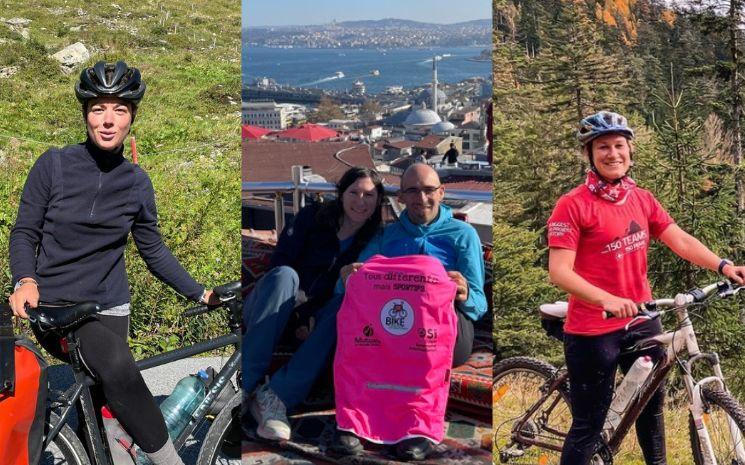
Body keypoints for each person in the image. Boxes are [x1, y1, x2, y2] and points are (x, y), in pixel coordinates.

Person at [8, 61, 220, 465]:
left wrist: (200, 291)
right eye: (98, 109)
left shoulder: (137, 183)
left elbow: (153, 250)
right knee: (117, 363)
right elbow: (24, 233)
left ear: (132, 117)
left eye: (119, 110)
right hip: (57, 307)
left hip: (110, 308)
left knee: (106, 415)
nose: (108, 120)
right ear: (85, 114)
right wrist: (25, 280)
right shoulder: (53, 165)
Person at [546, 110, 745, 465]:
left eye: (619, 145)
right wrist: (606, 299)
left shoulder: (641, 198)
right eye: (602, 146)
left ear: (630, 150)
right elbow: (560, 272)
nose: (613, 153)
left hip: (642, 319)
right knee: (588, 425)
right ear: (589, 155)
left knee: (650, 411)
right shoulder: (572, 205)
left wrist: (723, 265)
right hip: (594, 328)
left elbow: (679, 240)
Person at [337, 163, 487, 460]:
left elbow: (480, 304)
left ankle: (420, 426)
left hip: (446, 331)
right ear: (401, 197)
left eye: (429, 190)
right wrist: (347, 276)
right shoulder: (385, 237)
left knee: (419, 351)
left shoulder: (463, 234)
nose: (422, 198)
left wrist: (465, 292)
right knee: (360, 339)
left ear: (442, 193)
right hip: (394, 328)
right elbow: (354, 287)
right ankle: (355, 420)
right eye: (413, 191)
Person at [244, 166, 384, 441]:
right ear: (341, 194)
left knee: (346, 301)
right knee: (286, 275)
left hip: (315, 324)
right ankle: (243, 383)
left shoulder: (373, 242)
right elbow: (280, 263)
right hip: (271, 307)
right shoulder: (311, 217)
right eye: (354, 192)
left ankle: (275, 397)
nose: (361, 201)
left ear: (378, 200)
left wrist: (313, 317)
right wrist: (301, 316)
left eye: (369, 194)